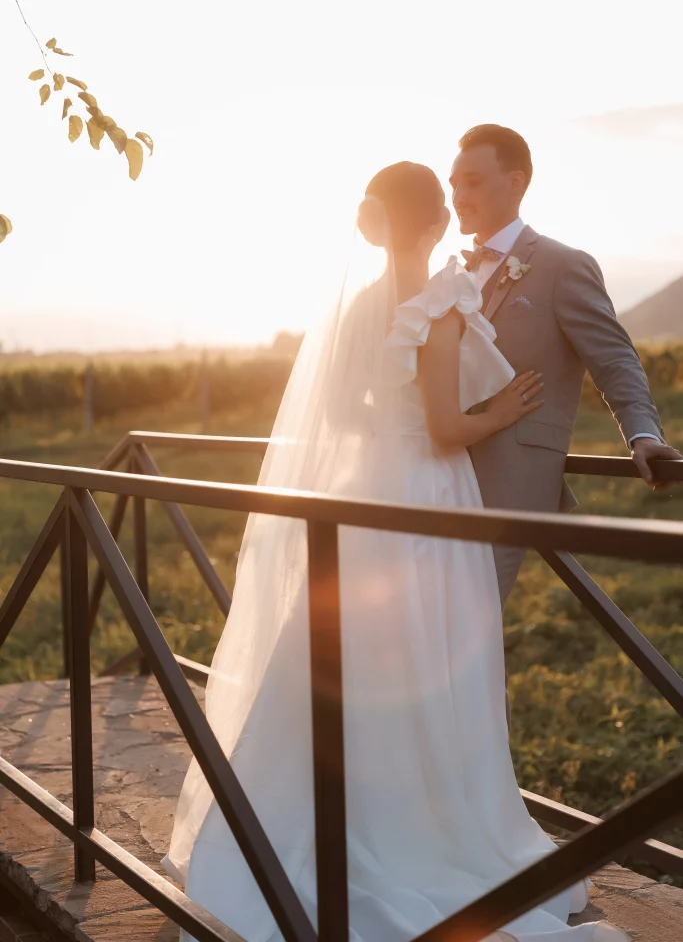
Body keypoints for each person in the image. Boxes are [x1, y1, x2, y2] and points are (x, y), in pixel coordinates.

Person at [162, 162, 627, 941]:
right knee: (429, 662)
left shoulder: (359, 307)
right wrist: (502, 408)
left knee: (345, 657)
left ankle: (283, 835)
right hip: (426, 496)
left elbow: (345, 419)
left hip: (359, 492)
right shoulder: (441, 301)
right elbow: (447, 429)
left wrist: (395, 429)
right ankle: (418, 829)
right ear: (433, 224)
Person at [451, 124, 680, 604]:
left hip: (513, 480)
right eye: (454, 184)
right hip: (439, 474)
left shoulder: (563, 265)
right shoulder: (450, 275)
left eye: (471, 181)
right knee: (434, 626)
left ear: (515, 182)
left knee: (468, 618)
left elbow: (614, 357)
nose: (458, 195)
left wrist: (644, 435)